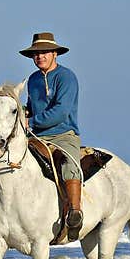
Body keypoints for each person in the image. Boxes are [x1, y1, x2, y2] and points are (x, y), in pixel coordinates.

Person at [19, 32, 84, 240]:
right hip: (37, 137)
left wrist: (32, 122)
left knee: (69, 164)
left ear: (55, 53)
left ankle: (74, 212)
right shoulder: (33, 80)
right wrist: (22, 113)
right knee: (8, 159)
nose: (40, 57)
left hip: (64, 134)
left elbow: (61, 111)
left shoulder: (67, 77)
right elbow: (31, 107)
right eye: (36, 54)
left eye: (44, 52)